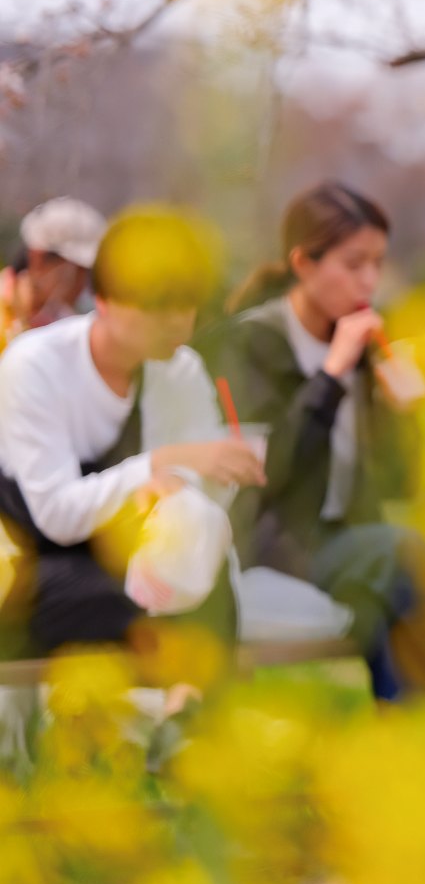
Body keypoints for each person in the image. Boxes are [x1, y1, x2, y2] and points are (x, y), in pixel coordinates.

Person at [200, 183, 425, 702]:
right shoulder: (250, 343)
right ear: (303, 263)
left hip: (349, 547)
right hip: (270, 544)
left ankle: (408, 763)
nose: (370, 281)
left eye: (378, 264)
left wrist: (402, 414)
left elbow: (398, 485)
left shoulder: (361, 344)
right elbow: (267, 477)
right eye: (353, 264)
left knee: (387, 595)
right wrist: (331, 374)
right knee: (395, 554)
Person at [0, 207, 260, 673]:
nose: (179, 322)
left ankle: (184, 719)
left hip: (121, 555)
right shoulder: (36, 364)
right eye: (157, 305)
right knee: (141, 601)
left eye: (187, 304)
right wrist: (164, 463)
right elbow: (57, 514)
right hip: (29, 559)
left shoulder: (179, 370)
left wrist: (208, 478)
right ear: (102, 298)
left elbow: (203, 497)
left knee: (208, 581)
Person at [12, 198, 107, 338]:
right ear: (37, 259)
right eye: (78, 271)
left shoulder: (65, 324)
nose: (82, 285)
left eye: (88, 274)